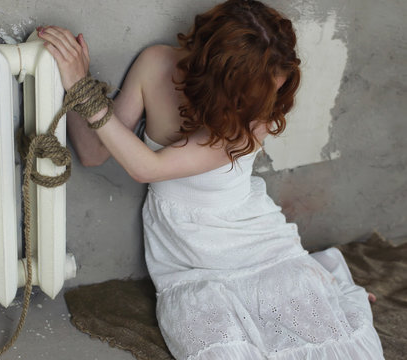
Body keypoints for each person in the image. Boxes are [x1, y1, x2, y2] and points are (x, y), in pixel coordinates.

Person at [37, 0, 384, 358]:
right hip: (187, 251)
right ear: (218, 77)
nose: (269, 100)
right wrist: (77, 84)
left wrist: (83, 87)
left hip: (254, 239)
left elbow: (146, 168)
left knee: (329, 342)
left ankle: (320, 285)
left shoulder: (258, 118)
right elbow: (94, 154)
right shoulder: (156, 62)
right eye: (256, 93)